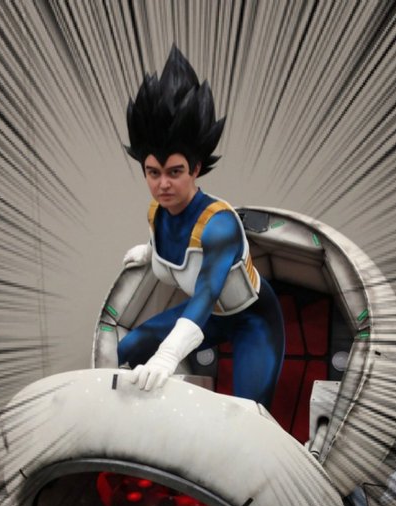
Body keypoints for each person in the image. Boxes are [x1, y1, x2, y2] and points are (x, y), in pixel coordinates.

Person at [118, 45, 284, 409]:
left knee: (248, 415)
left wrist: (166, 356)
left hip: (252, 319)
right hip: (210, 317)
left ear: (195, 169)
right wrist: (149, 253)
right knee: (128, 348)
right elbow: (172, 247)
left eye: (174, 171)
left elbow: (206, 293)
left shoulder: (219, 226)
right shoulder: (157, 213)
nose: (163, 184)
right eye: (153, 172)